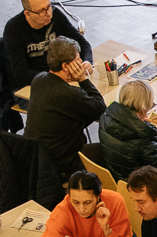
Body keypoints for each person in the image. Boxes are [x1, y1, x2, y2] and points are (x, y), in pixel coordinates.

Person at [23, 35, 106, 207]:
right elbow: (100, 109)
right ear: (66, 66)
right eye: (77, 59)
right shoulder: (70, 94)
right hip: (62, 163)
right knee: (107, 150)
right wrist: (83, 80)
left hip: (36, 160)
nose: (81, 62)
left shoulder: (39, 79)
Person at [91, 79, 157, 194]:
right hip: (141, 189)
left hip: (119, 176)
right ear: (143, 110)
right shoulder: (143, 139)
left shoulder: (106, 116)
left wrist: (142, 123)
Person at [2, 0, 90, 94]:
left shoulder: (56, 15)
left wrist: (87, 61)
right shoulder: (14, 29)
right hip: (33, 86)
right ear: (28, 14)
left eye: (49, 6)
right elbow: (21, 75)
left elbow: (82, 42)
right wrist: (57, 76)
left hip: (58, 79)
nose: (48, 13)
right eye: (41, 11)